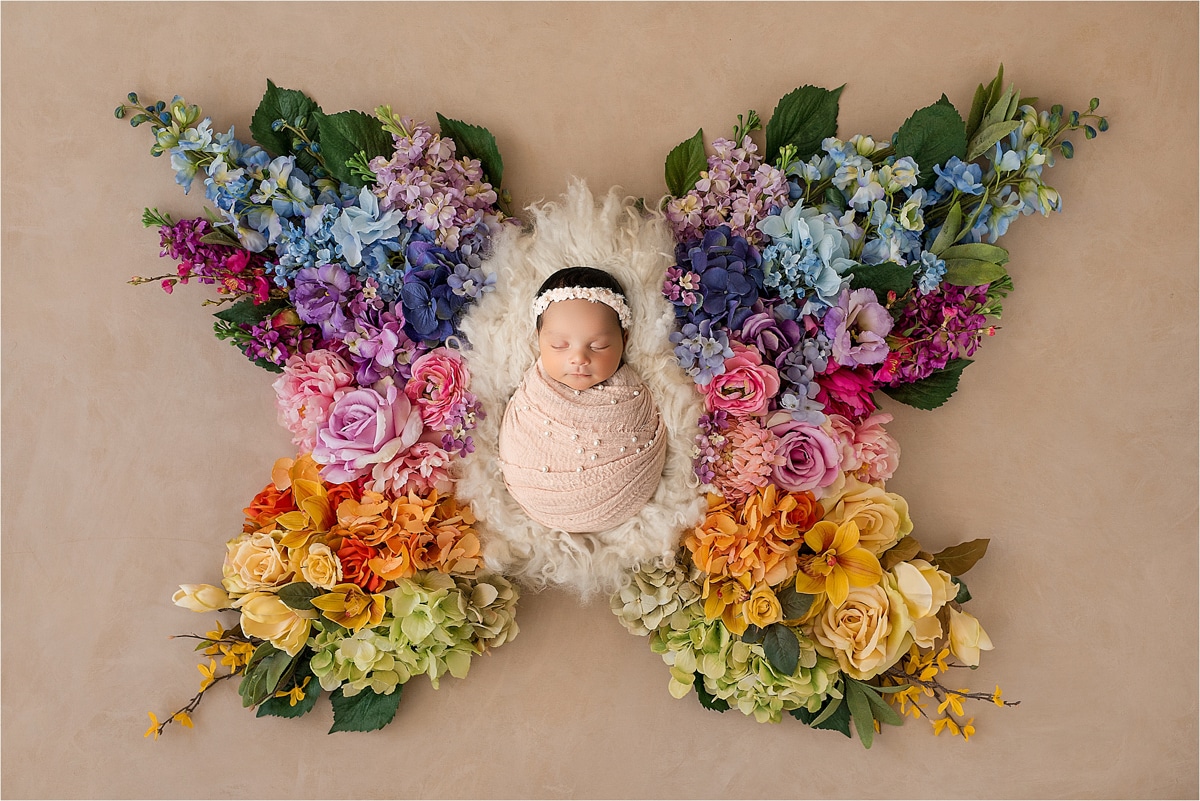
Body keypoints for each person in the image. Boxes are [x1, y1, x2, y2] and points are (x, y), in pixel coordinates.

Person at [497, 266, 667, 533]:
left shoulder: (632, 396)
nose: (579, 358)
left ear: (624, 339)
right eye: (559, 346)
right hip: (535, 497)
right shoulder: (534, 390)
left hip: (622, 498)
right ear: (538, 340)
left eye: (598, 346)